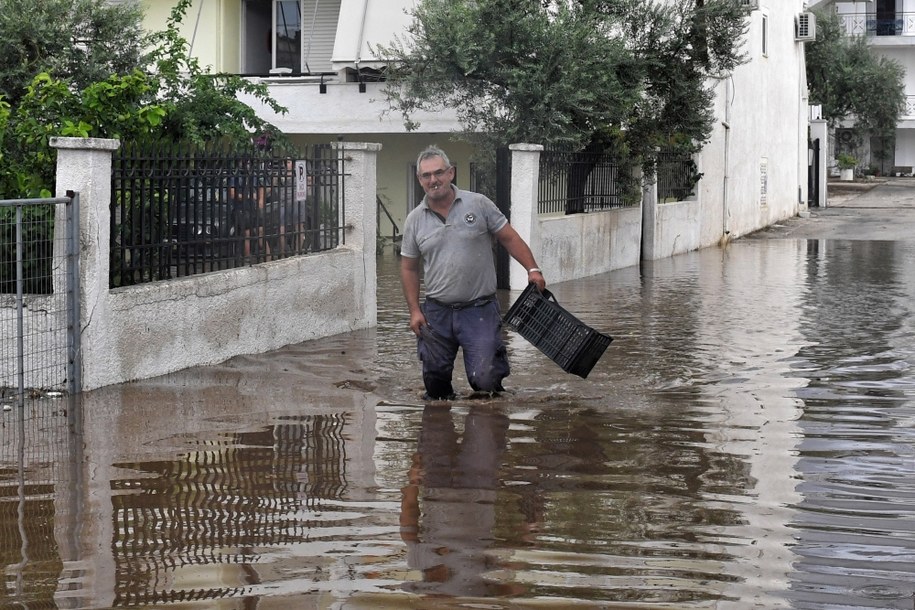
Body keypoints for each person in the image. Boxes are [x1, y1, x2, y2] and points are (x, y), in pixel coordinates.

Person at [400, 145, 546, 400]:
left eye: (439, 173)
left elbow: (509, 237)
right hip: (437, 312)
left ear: (451, 173)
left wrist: (532, 269)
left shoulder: (478, 204)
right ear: (420, 180)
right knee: (435, 388)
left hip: (479, 309)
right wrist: (414, 310)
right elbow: (409, 267)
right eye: (426, 175)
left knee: (485, 381)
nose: (433, 180)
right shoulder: (415, 220)